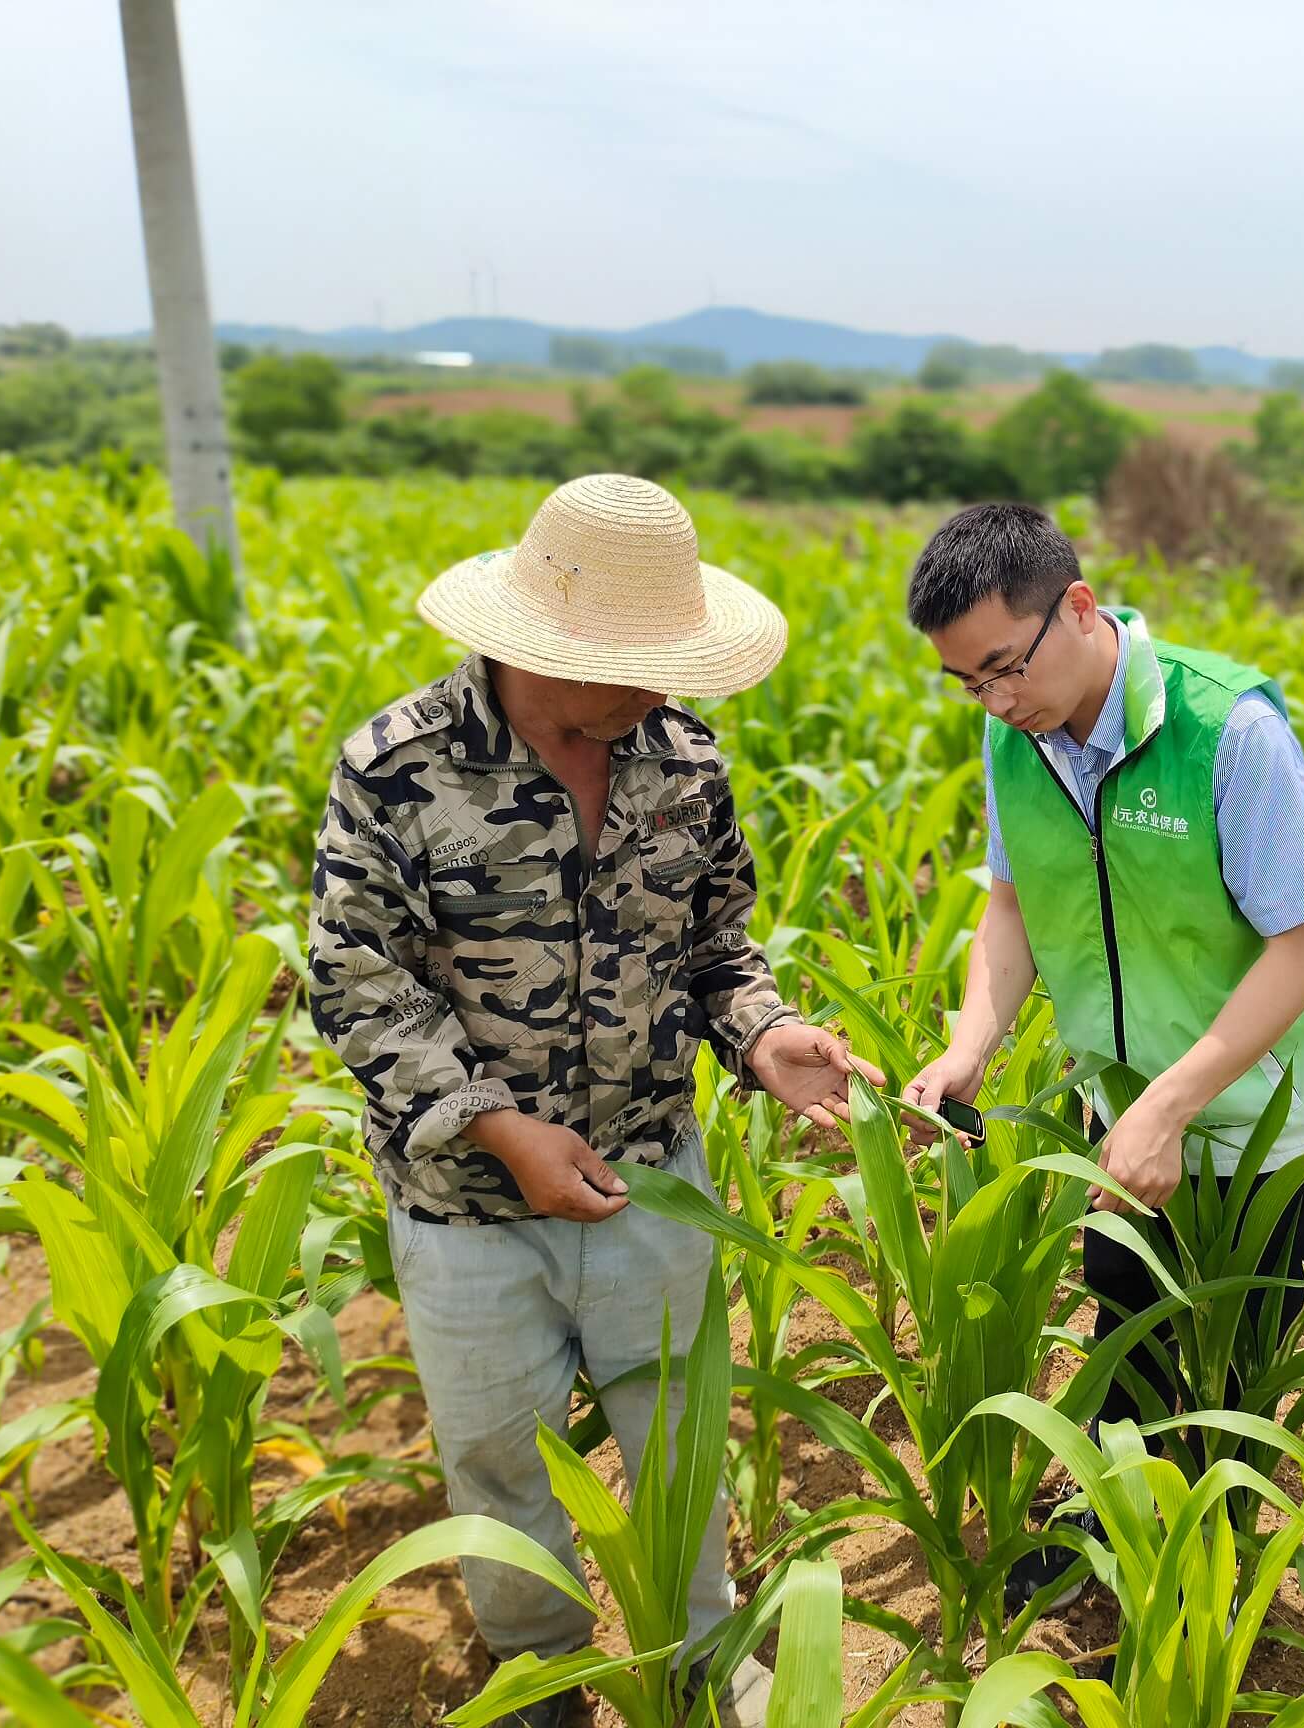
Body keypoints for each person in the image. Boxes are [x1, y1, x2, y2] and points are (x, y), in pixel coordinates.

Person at [308, 474, 882, 1728]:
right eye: (630, 664)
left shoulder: (682, 761)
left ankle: (694, 1659)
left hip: (648, 1176)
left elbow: (717, 947)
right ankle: (539, 1673)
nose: (658, 692)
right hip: (466, 1202)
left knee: (679, 1443)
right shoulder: (397, 772)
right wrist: (499, 1130)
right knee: (499, 1462)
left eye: (671, 664)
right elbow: (356, 984)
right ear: (533, 643)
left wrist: (767, 1035)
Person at [898, 502, 1304, 1615]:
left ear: (1076, 607)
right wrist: (972, 1046)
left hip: (1261, 1106)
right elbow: (1012, 907)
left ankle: (1211, 1564)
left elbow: (1301, 949)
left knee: (1236, 1347)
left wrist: (1177, 1100)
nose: (997, 701)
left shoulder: (1228, 733)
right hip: (1123, 1094)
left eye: (1005, 667)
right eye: (968, 682)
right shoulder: (1015, 734)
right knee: (1124, 1313)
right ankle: (1110, 1515)